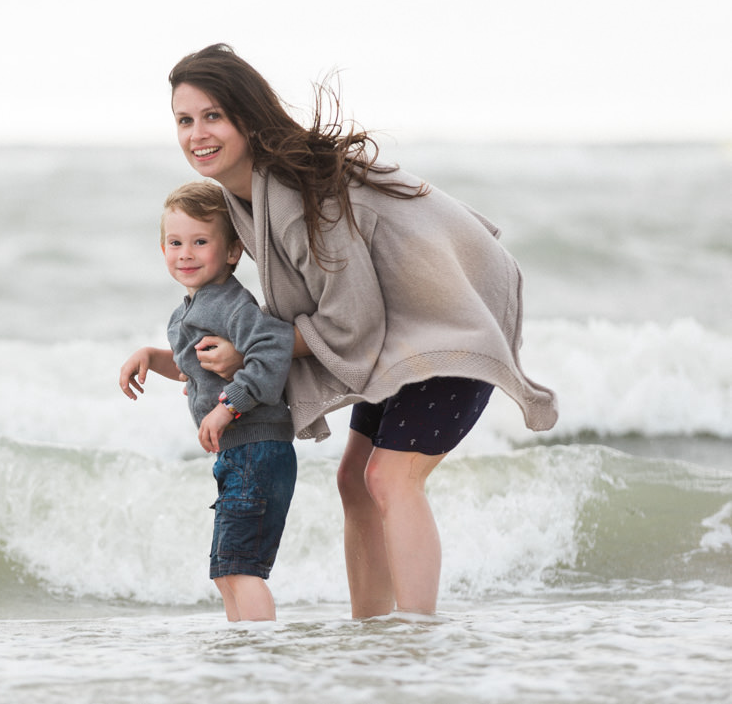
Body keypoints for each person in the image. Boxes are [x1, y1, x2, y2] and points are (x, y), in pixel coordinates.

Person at [167, 43, 559, 618]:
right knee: (354, 478)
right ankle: (372, 631)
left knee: (389, 478)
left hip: (453, 319)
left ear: (247, 119)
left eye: (213, 116)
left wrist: (251, 353)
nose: (197, 133)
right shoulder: (246, 195)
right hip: (405, 329)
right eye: (184, 120)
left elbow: (351, 322)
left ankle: (417, 632)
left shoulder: (298, 195)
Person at [119, 181, 298, 622]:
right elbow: (194, 367)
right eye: (175, 243)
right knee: (226, 569)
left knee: (240, 567)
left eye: (201, 242)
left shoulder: (231, 305)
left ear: (233, 251)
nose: (186, 253)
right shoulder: (190, 310)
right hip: (238, 453)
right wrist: (150, 356)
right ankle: (243, 650)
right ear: (162, 249)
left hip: (257, 447)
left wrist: (227, 407)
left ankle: (260, 655)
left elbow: (273, 350)